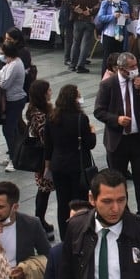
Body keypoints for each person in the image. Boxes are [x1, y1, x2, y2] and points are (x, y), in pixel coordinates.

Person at [95, 52, 140, 218]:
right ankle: (124, 213)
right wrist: (116, 119)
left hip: (139, 139)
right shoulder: (108, 85)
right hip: (118, 140)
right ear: (121, 69)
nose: (135, 69)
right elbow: (99, 111)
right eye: (131, 67)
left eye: (136, 65)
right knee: (118, 181)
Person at [44, 84, 97, 240]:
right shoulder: (81, 119)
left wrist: (47, 166)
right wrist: (92, 132)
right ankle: (80, 232)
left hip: (59, 166)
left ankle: (65, 235)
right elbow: (89, 143)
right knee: (80, 202)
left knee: (62, 202)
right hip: (77, 167)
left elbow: (48, 145)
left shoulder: (52, 118)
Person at [25, 79, 56, 239]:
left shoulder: (39, 110)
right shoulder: (39, 115)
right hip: (44, 160)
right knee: (44, 190)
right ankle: (39, 221)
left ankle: (40, 220)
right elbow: (46, 139)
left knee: (44, 190)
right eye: (48, 90)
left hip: (43, 158)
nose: (50, 92)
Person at [0, 40, 27, 173]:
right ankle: (15, 155)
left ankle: (14, 158)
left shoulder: (15, 65)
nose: (0, 55)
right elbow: (0, 75)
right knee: (12, 129)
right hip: (10, 100)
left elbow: (4, 84)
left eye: (2, 52)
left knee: (9, 130)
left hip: (15, 100)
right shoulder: (9, 63)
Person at [94, 0, 132, 70]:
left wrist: (126, 18)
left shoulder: (124, 4)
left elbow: (129, 21)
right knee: (107, 58)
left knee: (120, 58)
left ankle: (118, 75)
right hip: (109, 34)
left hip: (120, 34)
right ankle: (106, 75)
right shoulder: (105, 4)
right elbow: (100, 18)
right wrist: (113, 16)